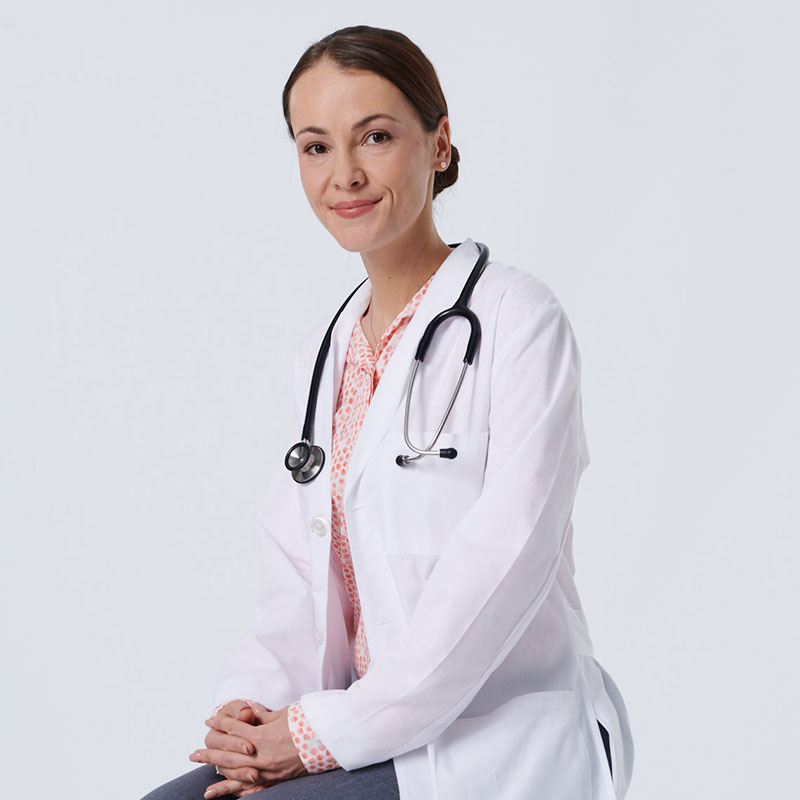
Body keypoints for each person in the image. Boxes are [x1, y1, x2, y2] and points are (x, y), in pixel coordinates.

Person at [142, 24, 634, 800]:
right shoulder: (327, 351)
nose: (345, 174)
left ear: (439, 144)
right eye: (315, 146)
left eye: (375, 136)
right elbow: (298, 573)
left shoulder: (518, 320)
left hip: (493, 734)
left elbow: (500, 566)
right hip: (358, 728)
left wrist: (315, 737)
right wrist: (253, 713)